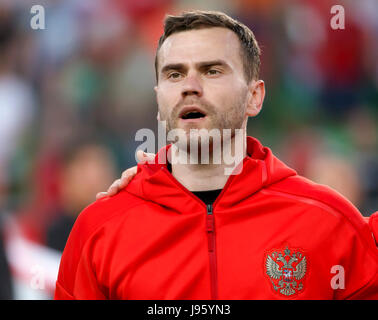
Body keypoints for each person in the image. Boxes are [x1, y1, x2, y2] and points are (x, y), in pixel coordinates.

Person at [55, 10, 378, 300]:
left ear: (254, 96)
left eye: (211, 71)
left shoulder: (330, 222)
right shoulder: (100, 228)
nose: (190, 86)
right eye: (174, 74)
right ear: (159, 99)